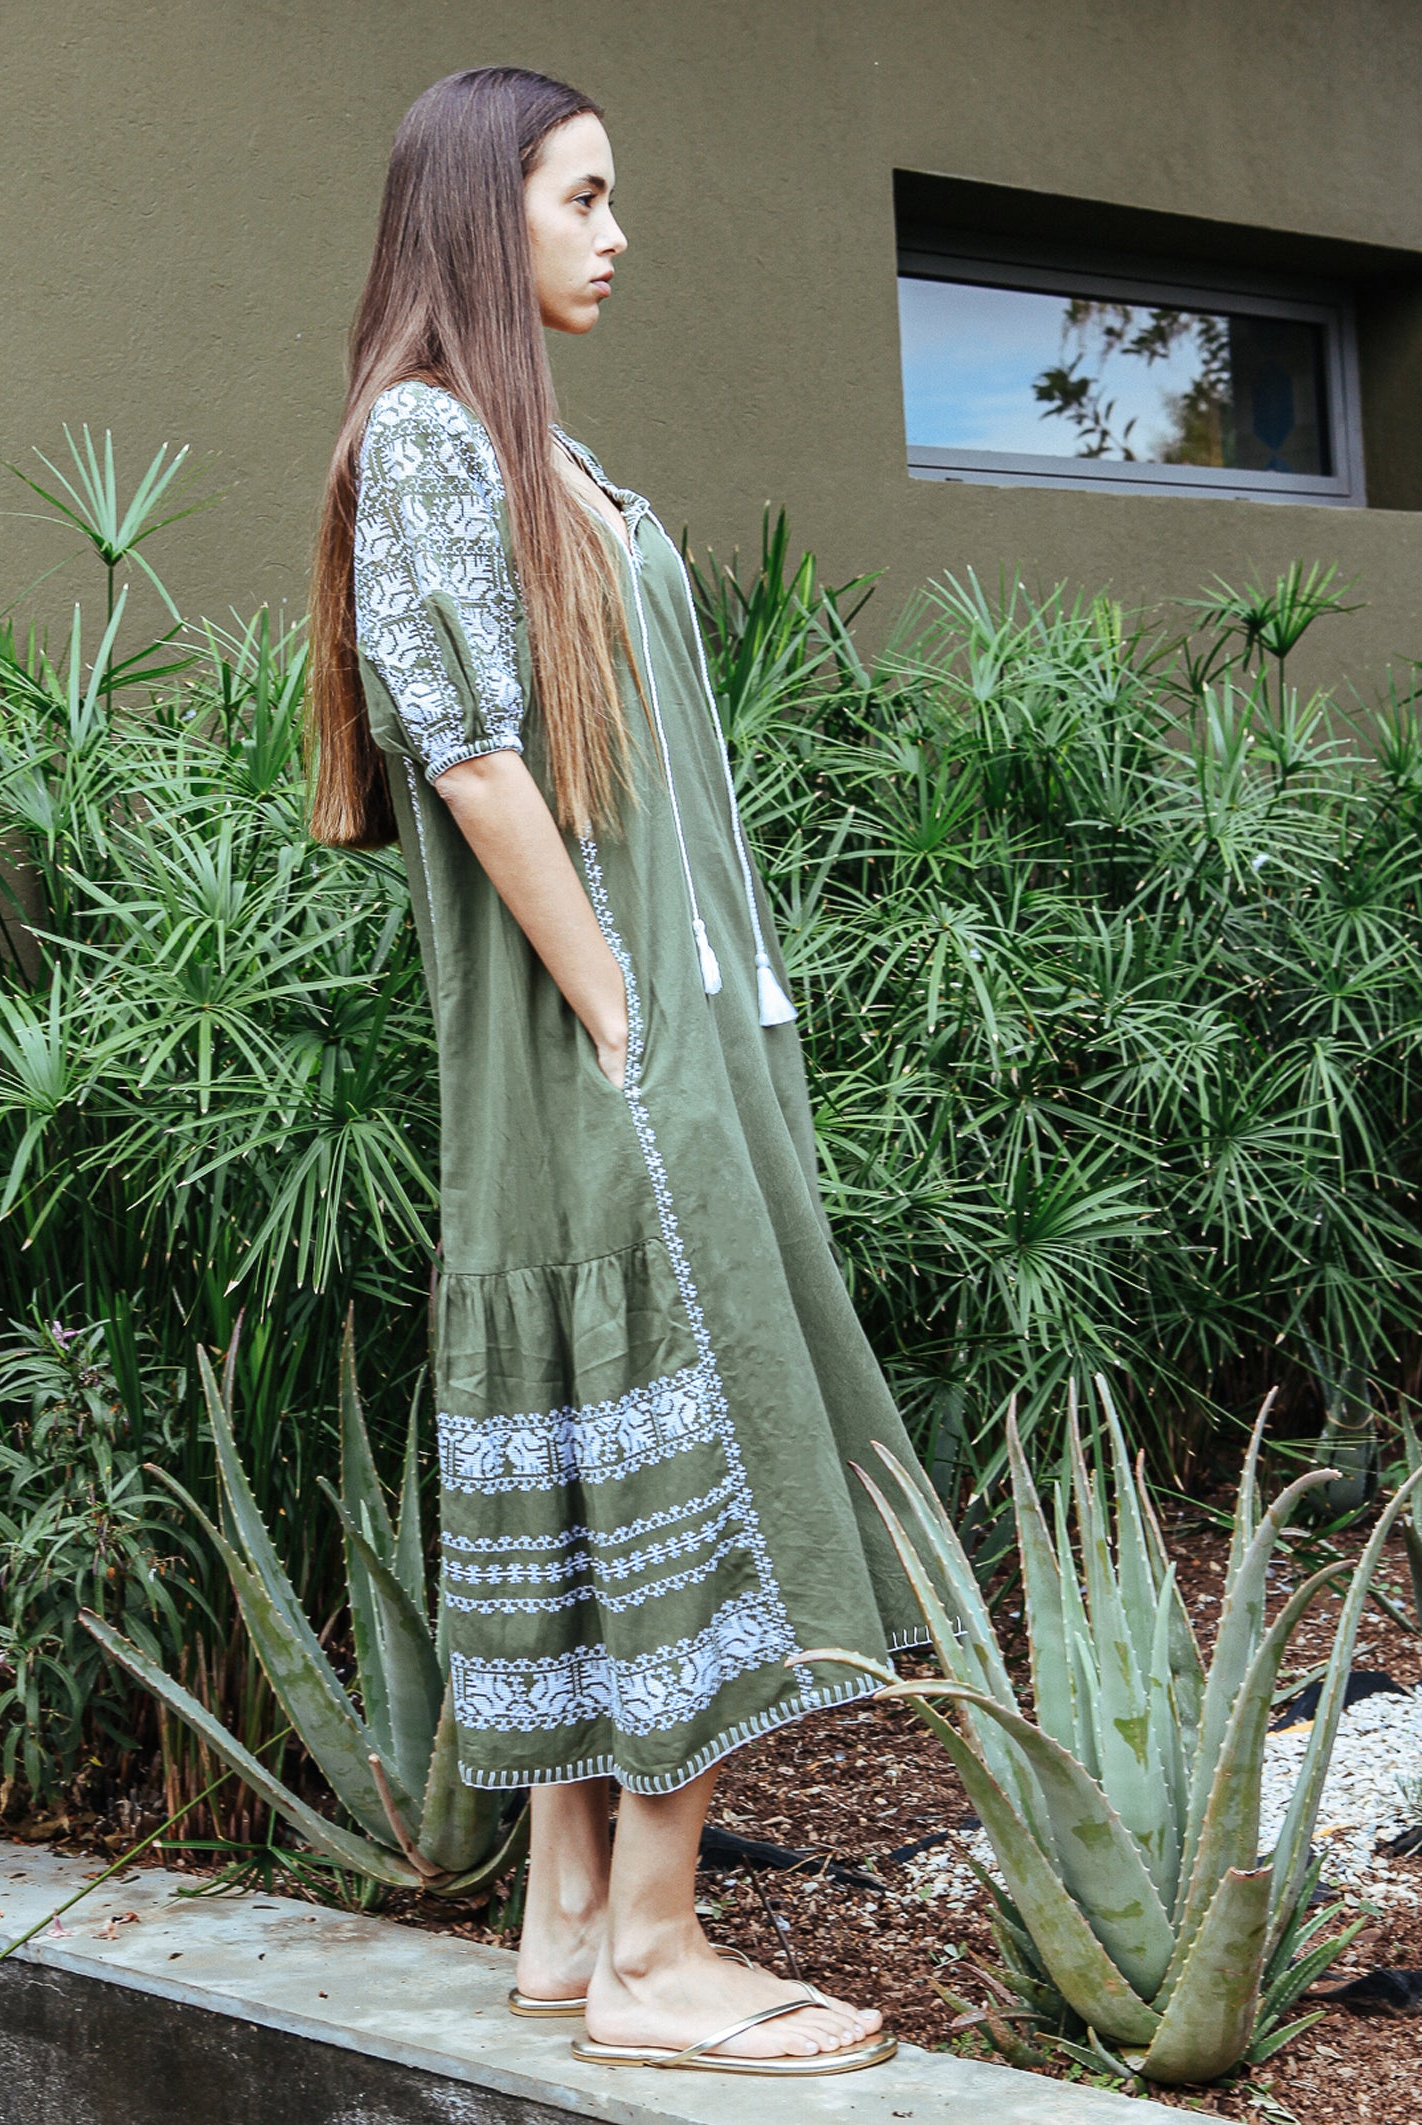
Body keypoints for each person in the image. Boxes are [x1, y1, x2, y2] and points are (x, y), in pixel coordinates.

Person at [309, 65, 930, 2077]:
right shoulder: (422, 440)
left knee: (618, 1411)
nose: (614, 231)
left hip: (650, 1025)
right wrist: (616, 1011)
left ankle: (571, 1916)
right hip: (602, 1038)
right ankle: (660, 1954)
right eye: (582, 198)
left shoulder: (532, 448)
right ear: (487, 218)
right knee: (716, 1422)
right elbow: (470, 752)